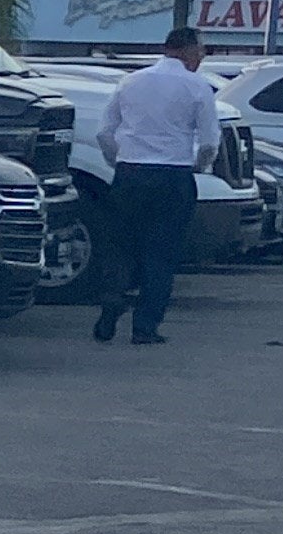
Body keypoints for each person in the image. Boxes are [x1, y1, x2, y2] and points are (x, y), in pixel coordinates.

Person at [89, 25, 219, 345]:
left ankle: (112, 299)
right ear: (188, 50)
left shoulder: (131, 81)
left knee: (121, 245)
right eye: (201, 51)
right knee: (161, 252)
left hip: (130, 173)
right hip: (173, 175)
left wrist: (118, 160)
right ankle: (145, 325)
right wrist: (198, 166)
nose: (201, 57)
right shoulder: (197, 86)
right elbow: (209, 141)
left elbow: (105, 132)